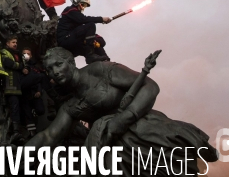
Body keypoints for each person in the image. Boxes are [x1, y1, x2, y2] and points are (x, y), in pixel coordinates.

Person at [27, 47, 218, 175]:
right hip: (111, 146)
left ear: (71, 62)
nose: (55, 72)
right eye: (49, 70)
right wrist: (21, 154)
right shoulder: (71, 106)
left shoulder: (102, 70)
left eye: (58, 65)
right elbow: (49, 136)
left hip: (140, 126)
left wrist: (125, 118)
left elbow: (149, 86)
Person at [56, 0, 112, 64]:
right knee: (90, 25)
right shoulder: (70, 10)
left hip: (73, 39)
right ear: (76, 2)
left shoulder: (76, 17)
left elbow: (83, 26)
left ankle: (106, 61)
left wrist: (97, 41)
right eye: (83, 5)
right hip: (65, 39)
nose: (83, 7)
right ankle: (90, 55)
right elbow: (84, 19)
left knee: (98, 41)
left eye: (85, 6)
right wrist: (101, 19)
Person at [20, 48, 52, 137]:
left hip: (35, 92)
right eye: (24, 53)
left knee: (40, 110)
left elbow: (37, 80)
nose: (26, 55)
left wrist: (39, 90)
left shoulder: (35, 67)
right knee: (27, 114)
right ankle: (31, 133)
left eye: (28, 53)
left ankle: (34, 113)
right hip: (24, 92)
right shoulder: (20, 64)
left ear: (31, 56)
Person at [0, 35, 25, 144]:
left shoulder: (18, 54)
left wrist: (22, 67)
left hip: (19, 85)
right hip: (10, 85)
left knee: (19, 108)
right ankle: (15, 131)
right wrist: (19, 66)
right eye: (13, 42)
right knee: (13, 108)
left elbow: (24, 65)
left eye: (16, 42)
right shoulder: (5, 52)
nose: (15, 44)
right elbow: (7, 63)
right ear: (7, 43)